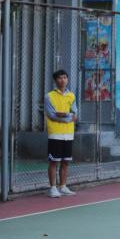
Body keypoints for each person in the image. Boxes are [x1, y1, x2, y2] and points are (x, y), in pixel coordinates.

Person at [45, 69, 78, 198]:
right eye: (60, 78)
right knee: (54, 161)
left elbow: (75, 115)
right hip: (55, 133)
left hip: (69, 133)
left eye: (65, 77)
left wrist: (64, 115)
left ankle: (63, 186)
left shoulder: (72, 96)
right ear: (55, 80)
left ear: (67, 80)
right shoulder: (49, 96)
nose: (62, 80)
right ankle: (53, 188)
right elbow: (52, 115)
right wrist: (68, 116)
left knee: (65, 162)